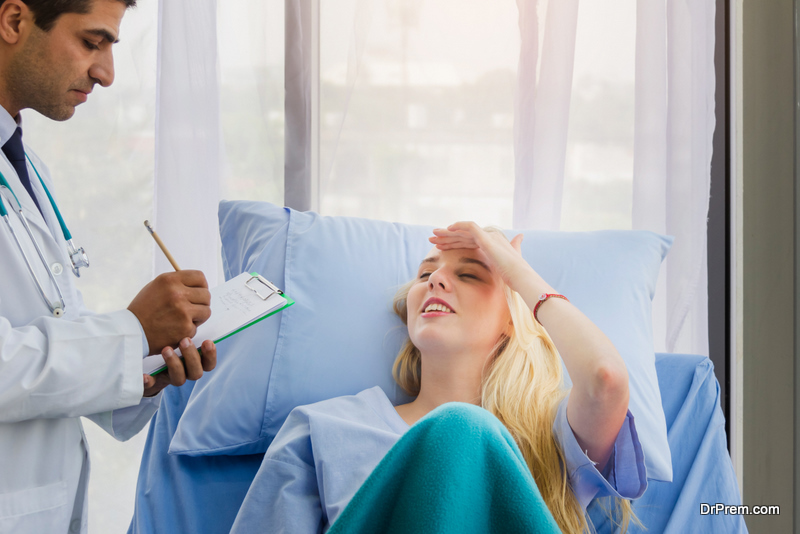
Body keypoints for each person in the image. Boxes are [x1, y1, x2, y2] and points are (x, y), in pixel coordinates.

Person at [231, 223, 647, 534]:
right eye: (425, 274)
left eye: (469, 275)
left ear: (512, 320)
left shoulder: (551, 435)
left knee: (463, 427)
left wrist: (519, 275)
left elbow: (605, 379)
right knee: (460, 426)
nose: (436, 279)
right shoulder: (324, 428)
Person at [0, 1, 217, 532]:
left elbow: (49, 333)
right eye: (92, 43)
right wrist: (130, 329)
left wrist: (144, 368)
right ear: (13, 22)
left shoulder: (24, 168)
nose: (107, 74)